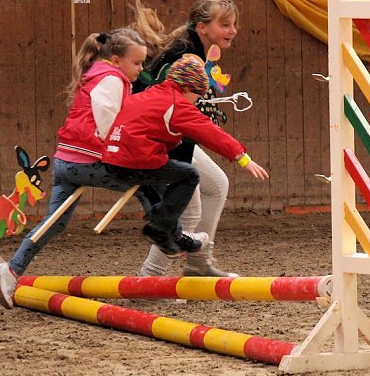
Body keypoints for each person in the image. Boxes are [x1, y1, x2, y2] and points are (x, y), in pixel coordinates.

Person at [0, 27, 207, 309]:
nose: (141, 70)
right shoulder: (111, 80)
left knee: (53, 224)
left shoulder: (99, 76)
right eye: (137, 63)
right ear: (117, 60)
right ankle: (172, 235)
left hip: (67, 161)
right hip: (88, 160)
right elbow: (109, 127)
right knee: (148, 178)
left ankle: (11, 270)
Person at [101, 54, 268, 250]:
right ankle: (159, 224)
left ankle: (171, 235)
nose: (197, 102)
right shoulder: (177, 104)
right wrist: (242, 157)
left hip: (112, 160)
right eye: (197, 96)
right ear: (188, 88)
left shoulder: (147, 95)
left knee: (168, 183)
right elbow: (210, 132)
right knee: (189, 176)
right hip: (136, 161)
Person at [130, 0, 243, 278]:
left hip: (165, 135)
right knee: (187, 208)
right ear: (203, 27)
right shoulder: (186, 55)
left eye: (233, 24)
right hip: (153, 140)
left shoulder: (193, 49)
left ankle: (198, 264)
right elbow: (169, 107)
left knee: (216, 185)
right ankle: (150, 278)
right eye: (226, 25)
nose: (233, 31)